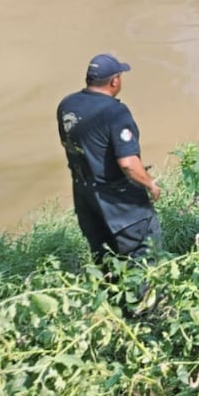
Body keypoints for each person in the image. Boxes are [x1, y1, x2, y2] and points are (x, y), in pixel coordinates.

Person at [57, 53, 162, 265]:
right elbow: (128, 163)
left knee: (105, 259)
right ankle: (149, 297)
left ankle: (113, 297)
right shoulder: (115, 112)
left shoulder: (67, 105)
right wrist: (150, 184)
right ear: (115, 81)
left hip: (86, 198)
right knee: (144, 256)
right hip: (120, 204)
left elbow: (68, 143)